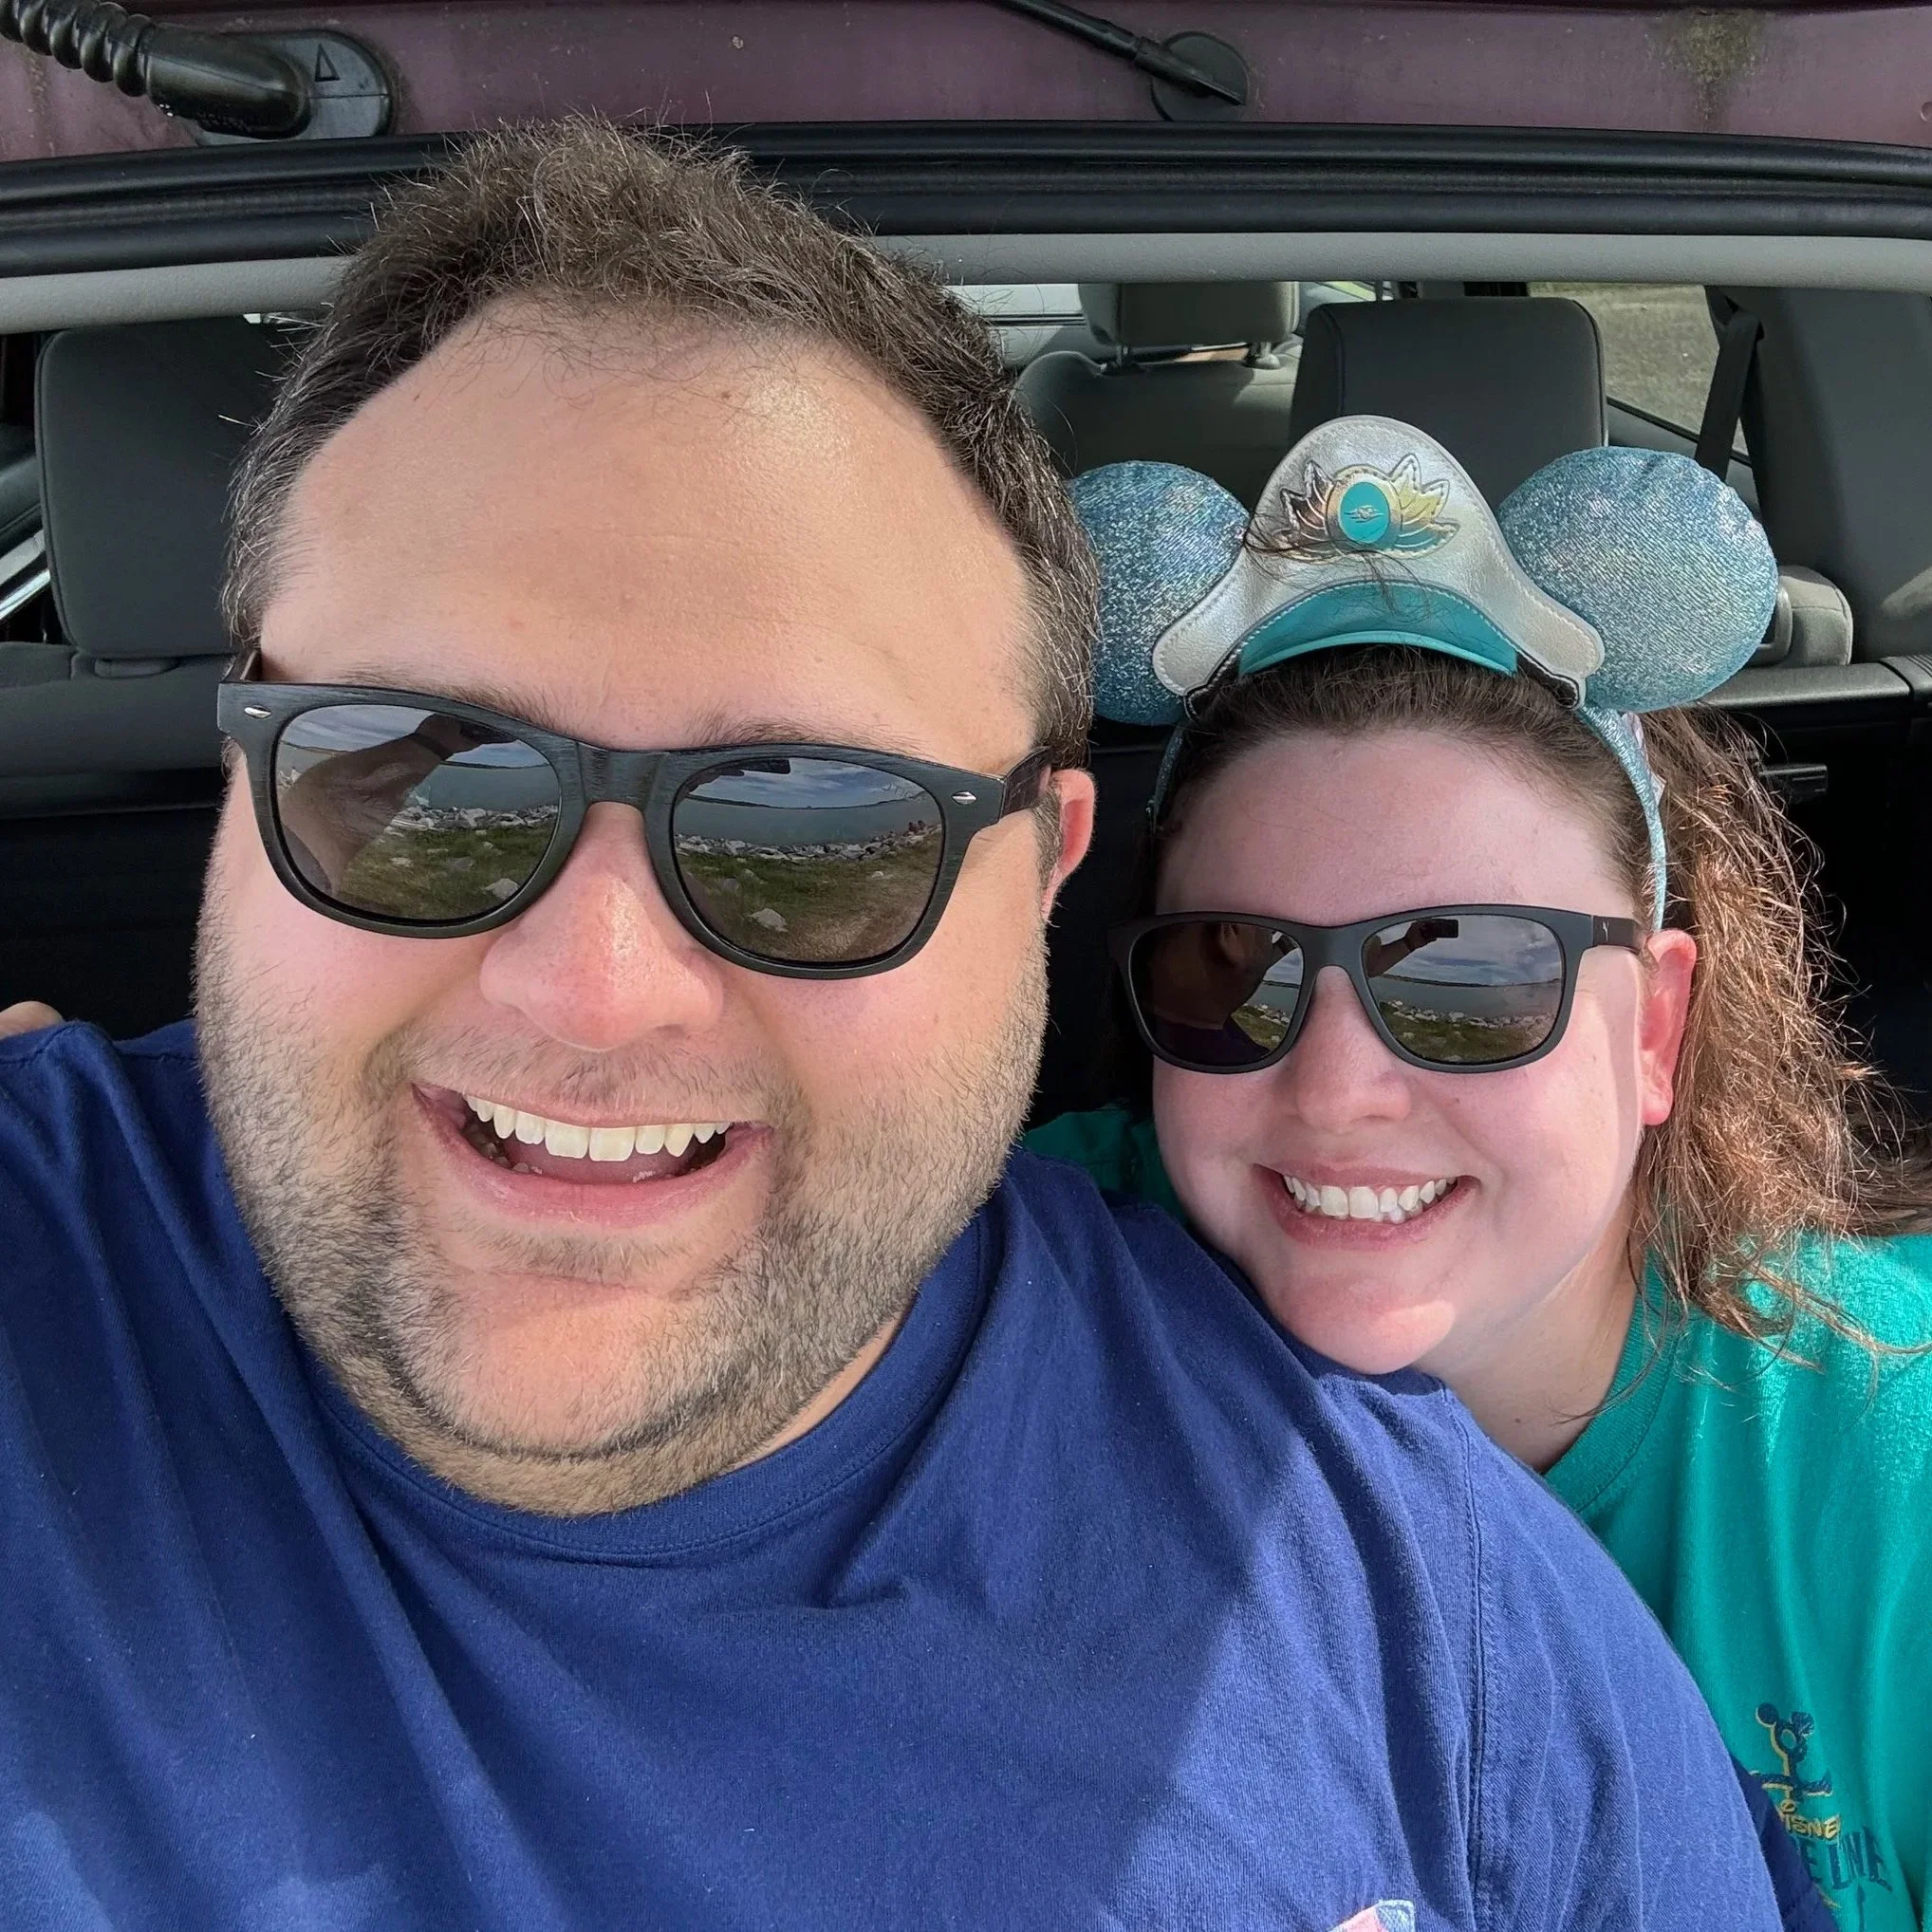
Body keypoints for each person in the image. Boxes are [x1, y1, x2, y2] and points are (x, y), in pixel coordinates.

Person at [0, 122, 1783, 1931]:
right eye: (414, 776)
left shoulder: (1420, 1617)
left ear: (1039, 883)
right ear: (240, 780)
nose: (591, 983)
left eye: (815, 831)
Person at [1030, 416, 1932, 1930]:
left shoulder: (1887, 1476)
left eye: (1464, 978)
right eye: (1233, 969)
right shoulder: (1015, 1306)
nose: (1333, 1092)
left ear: (1655, 1030)